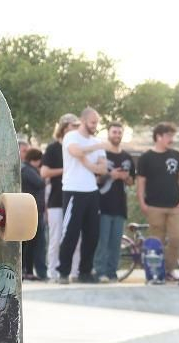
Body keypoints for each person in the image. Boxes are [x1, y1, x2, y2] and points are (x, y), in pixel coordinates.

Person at [56, 106, 108, 284]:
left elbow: (103, 168)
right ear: (84, 120)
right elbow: (75, 152)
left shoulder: (96, 141)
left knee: (92, 234)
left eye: (97, 122)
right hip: (73, 190)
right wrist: (94, 148)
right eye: (93, 122)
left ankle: (85, 272)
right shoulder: (71, 136)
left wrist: (87, 162)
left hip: (92, 192)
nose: (95, 125)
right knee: (70, 233)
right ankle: (63, 272)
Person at [136, 123, 179, 274]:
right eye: (168, 136)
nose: (171, 139)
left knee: (177, 238)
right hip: (154, 206)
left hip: (175, 206)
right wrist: (142, 202)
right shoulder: (146, 158)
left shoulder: (176, 155)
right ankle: (155, 272)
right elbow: (141, 182)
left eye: (172, 136)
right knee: (155, 243)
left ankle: (167, 269)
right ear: (158, 137)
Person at [94, 122, 134, 283]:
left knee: (116, 243)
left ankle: (112, 273)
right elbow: (95, 178)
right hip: (102, 204)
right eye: (114, 132)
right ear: (108, 133)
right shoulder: (100, 154)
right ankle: (100, 272)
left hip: (120, 206)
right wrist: (111, 175)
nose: (117, 135)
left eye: (119, 132)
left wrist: (125, 177)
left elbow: (132, 180)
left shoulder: (127, 157)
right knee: (102, 242)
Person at [42, 113, 78, 276]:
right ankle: (52, 272)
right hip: (56, 200)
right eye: (73, 125)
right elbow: (44, 172)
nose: (76, 128)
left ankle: (74, 271)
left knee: (76, 238)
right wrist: (67, 170)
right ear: (64, 127)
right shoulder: (52, 148)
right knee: (55, 238)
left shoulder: (77, 148)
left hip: (75, 199)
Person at [20, 148, 48, 280]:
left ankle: (28, 270)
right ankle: (27, 271)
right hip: (32, 210)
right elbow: (40, 183)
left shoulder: (27, 169)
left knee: (32, 243)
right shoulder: (27, 170)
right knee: (31, 242)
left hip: (34, 210)